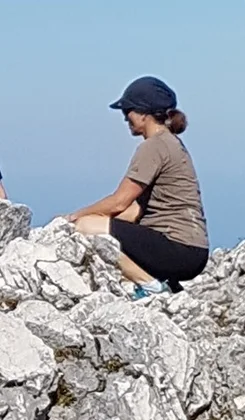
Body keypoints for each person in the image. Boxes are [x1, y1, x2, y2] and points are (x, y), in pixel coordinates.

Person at [65, 83, 210, 288]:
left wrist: (73, 218)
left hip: (178, 247)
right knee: (97, 225)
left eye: (128, 111)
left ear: (144, 114)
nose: (125, 118)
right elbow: (134, 211)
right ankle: (167, 285)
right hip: (192, 250)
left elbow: (119, 202)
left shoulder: (153, 146)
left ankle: (151, 286)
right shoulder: (171, 143)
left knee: (86, 228)